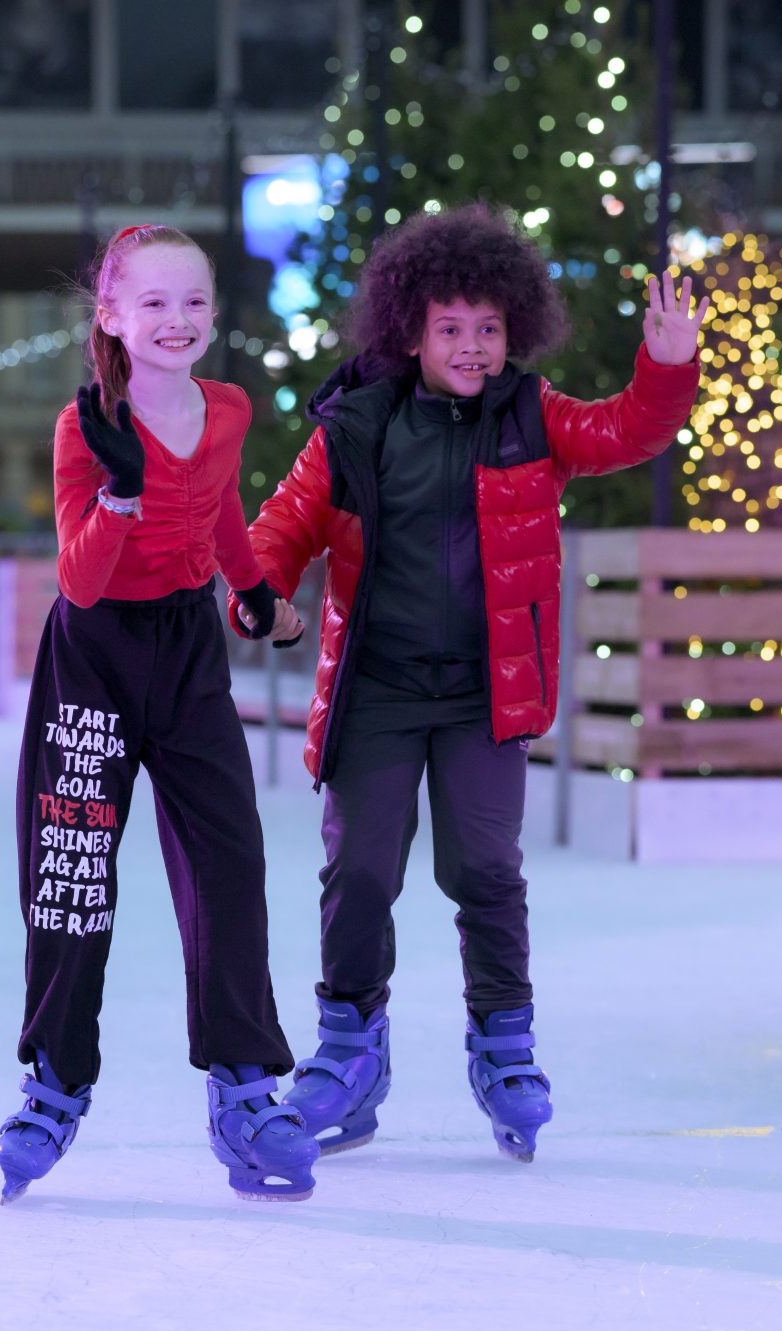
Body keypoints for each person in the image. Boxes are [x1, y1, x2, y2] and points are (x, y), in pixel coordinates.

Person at [236, 206, 708, 1162]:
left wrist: (667, 365)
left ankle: (504, 1048)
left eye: (488, 328)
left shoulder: (534, 418)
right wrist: (261, 593)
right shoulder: (357, 429)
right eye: (450, 328)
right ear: (411, 331)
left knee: (486, 870)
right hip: (376, 690)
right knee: (360, 869)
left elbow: (627, 431)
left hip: (486, 697)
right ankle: (349, 1050)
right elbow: (282, 525)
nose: (471, 346)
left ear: (515, 331)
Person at [0, 224, 319, 1203]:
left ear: (212, 315)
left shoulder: (225, 410)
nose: (175, 321)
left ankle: (244, 1086)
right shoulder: (80, 427)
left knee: (227, 864)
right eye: (152, 304)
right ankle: (54, 1078)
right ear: (111, 318)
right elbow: (79, 581)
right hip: (91, 659)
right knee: (73, 874)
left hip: (186, 652)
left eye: (192, 303)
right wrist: (123, 491)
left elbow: (219, 504)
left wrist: (251, 587)